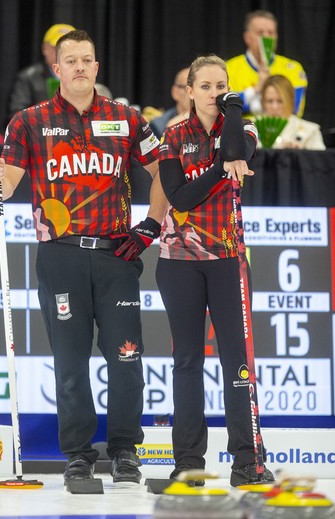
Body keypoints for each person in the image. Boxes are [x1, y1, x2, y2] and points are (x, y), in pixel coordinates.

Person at [0, 29, 167, 488]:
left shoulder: (126, 119)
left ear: (97, 68)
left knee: (126, 357)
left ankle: (126, 451)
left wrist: (151, 225)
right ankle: (79, 456)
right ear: (57, 69)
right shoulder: (29, 121)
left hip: (116, 255)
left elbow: (164, 171)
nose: (81, 66)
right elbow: (7, 182)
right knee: (69, 362)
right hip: (60, 255)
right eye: (72, 60)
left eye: (88, 59)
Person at [156, 54, 274, 487]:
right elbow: (181, 200)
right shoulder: (171, 135)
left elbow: (234, 149)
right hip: (179, 262)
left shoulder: (243, 126)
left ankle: (247, 459)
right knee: (186, 361)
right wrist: (221, 172)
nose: (213, 93)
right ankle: (189, 462)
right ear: (188, 91)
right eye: (204, 86)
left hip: (227, 260)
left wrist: (235, 109)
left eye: (220, 86)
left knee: (237, 363)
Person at [8, 23, 111, 117]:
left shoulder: (84, 74)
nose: (63, 52)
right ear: (45, 49)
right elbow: (17, 113)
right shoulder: (28, 77)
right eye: (57, 47)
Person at [226, 10, 307, 117]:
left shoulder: (292, 68)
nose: (266, 38)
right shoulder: (228, 68)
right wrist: (256, 89)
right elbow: (226, 107)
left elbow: (293, 108)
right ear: (247, 38)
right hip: (242, 132)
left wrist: (248, 102)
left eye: (270, 33)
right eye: (260, 33)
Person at [261, 74, 326, 150]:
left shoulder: (310, 131)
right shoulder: (250, 129)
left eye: (280, 101)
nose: (274, 107)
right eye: (269, 101)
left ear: (291, 100)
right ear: (263, 102)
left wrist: (301, 154)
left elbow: (321, 160)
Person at [149, 67, 190, 138]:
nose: (193, 94)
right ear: (175, 92)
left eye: (202, 87)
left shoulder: (212, 122)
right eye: (187, 88)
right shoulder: (158, 126)